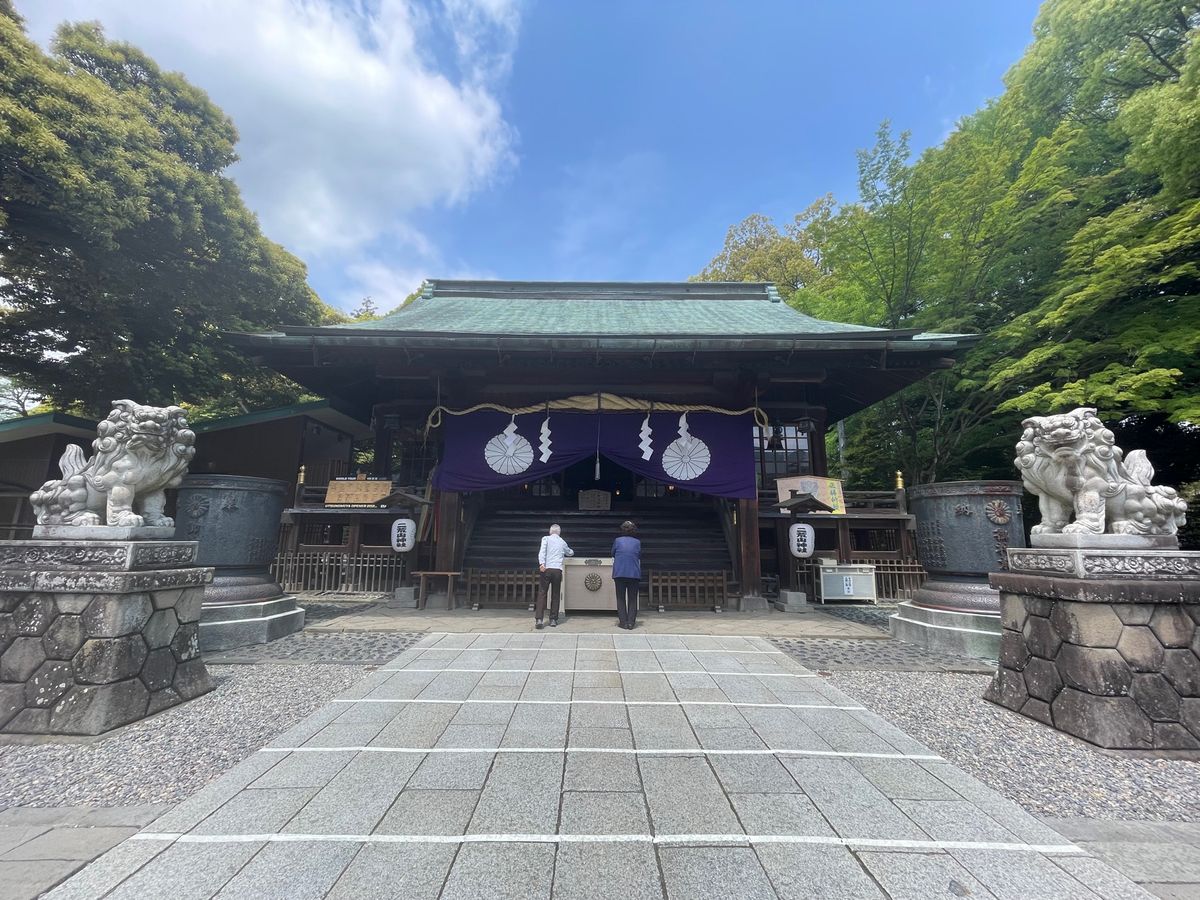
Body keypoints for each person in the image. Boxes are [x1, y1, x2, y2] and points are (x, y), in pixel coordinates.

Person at [536, 523, 573, 629]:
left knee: (542, 593)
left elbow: (542, 551)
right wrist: (572, 552)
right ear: (559, 532)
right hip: (557, 570)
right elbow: (569, 552)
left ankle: (539, 619)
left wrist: (541, 563)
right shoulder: (562, 541)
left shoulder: (545, 539)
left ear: (550, 531)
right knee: (556, 594)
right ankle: (553, 619)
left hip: (546, 569)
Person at [611, 520, 641, 630]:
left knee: (620, 598)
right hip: (633, 573)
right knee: (633, 599)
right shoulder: (637, 542)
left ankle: (623, 622)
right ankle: (631, 623)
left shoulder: (617, 541)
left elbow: (613, 553)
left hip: (619, 573)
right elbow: (639, 555)